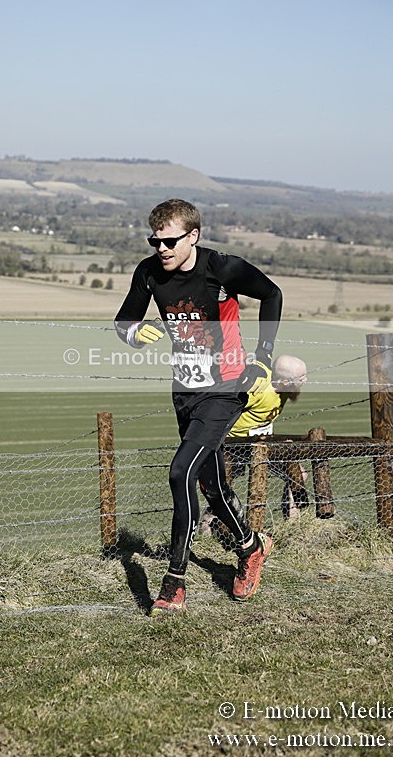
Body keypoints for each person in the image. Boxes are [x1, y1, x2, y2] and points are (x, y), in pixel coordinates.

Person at [114, 198, 282, 615]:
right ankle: (250, 546)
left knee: (179, 472)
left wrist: (262, 357)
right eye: (155, 241)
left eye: (170, 241)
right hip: (184, 391)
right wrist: (137, 336)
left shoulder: (221, 268)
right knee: (209, 483)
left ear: (193, 236)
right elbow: (124, 322)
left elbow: (272, 294)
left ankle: (174, 582)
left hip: (226, 389)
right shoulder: (149, 272)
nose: (162, 249)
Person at [201, 354, 308, 537]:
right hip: (234, 446)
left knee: (299, 474)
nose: (306, 381)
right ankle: (207, 531)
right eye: (301, 378)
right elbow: (225, 405)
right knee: (222, 489)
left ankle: (292, 528)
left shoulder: (283, 388)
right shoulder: (256, 388)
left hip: (262, 445)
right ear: (283, 380)